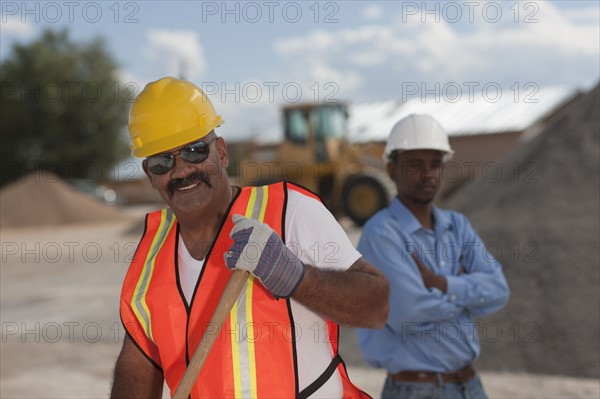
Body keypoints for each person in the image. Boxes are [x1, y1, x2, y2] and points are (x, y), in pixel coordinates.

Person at [110, 77, 389, 399]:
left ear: (222, 152)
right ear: (149, 175)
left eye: (195, 151)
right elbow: (139, 361)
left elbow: (376, 307)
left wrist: (296, 277)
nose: (183, 170)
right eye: (163, 161)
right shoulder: (150, 255)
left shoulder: (291, 211)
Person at [356, 114, 510, 399]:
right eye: (415, 165)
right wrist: (467, 297)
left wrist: (442, 284)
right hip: (416, 390)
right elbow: (408, 314)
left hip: (471, 386)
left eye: (435, 165)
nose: (428, 174)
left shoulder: (458, 225)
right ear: (392, 169)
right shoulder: (381, 234)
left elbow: (499, 290)